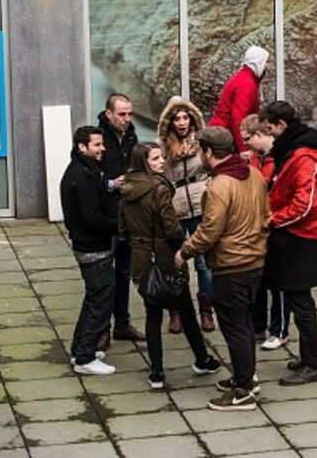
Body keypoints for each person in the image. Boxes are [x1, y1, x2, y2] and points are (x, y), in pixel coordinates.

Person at [174, 127, 270, 411]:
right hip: (254, 262)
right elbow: (267, 215)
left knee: (235, 328)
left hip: (231, 266)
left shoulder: (218, 186)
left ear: (208, 152)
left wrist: (184, 252)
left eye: (199, 150)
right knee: (244, 326)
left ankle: (242, 391)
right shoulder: (253, 174)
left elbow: (209, 231)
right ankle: (246, 378)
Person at [118, 142, 222, 390]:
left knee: (152, 313)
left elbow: (122, 229)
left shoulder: (127, 189)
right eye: (155, 159)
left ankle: (156, 371)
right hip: (163, 255)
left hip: (141, 257)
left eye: (160, 157)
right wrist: (182, 245)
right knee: (184, 307)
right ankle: (201, 358)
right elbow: (171, 225)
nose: (162, 162)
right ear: (145, 162)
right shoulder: (159, 189)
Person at [259, 101, 317, 385]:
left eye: (271, 131)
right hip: (294, 233)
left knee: (301, 302)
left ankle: (313, 363)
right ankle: (308, 358)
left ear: (282, 125)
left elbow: (305, 204)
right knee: (298, 300)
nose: (270, 137)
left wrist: (273, 220)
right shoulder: (295, 152)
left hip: (300, 236)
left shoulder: (303, 158)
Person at [60, 126, 117, 375]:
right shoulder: (81, 176)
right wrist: (119, 225)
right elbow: (91, 218)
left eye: (101, 144)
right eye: (97, 145)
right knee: (101, 301)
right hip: (93, 247)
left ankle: (81, 350)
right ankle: (84, 357)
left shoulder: (85, 171)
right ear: (82, 147)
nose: (102, 148)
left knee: (94, 297)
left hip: (93, 245)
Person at [157, 96, 215, 333]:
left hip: (201, 203)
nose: (181, 123)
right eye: (176, 119)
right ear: (170, 122)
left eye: (185, 117)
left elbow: (213, 165)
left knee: (204, 264)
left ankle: (206, 309)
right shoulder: (162, 144)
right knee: (176, 262)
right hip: (176, 206)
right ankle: (177, 310)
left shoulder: (202, 142)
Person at [96, 93, 145, 348]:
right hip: (107, 215)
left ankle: (122, 323)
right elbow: (88, 175)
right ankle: (102, 328)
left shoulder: (131, 136)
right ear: (109, 114)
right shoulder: (96, 138)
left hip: (128, 213)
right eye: (122, 115)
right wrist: (110, 184)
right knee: (105, 275)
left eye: (129, 114)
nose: (126, 119)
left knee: (124, 272)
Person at [240, 114, 291, 351]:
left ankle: (279, 330)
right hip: (258, 224)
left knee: (279, 280)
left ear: (260, 135)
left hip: (276, 224)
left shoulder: (278, 158)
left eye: (247, 139)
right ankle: (257, 323)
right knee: (258, 276)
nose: (245, 144)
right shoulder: (254, 157)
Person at [209, 45, 270, 156]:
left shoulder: (244, 79)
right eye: (265, 62)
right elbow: (239, 118)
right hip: (225, 138)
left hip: (223, 134)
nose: (267, 66)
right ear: (258, 62)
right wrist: (244, 148)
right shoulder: (247, 84)